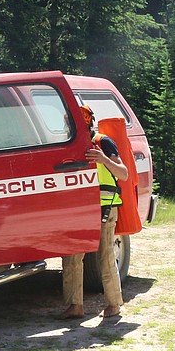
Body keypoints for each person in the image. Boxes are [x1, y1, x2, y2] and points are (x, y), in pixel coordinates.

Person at [61, 105, 130, 320]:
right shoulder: (68, 144)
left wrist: (103, 159)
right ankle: (75, 305)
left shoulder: (103, 142)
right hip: (79, 208)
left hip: (105, 206)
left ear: (88, 122)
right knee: (72, 256)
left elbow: (124, 174)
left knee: (105, 256)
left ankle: (114, 304)